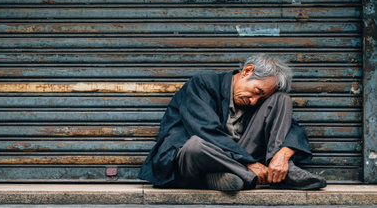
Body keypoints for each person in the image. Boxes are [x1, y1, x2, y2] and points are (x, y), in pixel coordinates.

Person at [138, 54, 326, 191]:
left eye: (260, 98)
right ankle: (258, 177)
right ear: (247, 71)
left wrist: (283, 156)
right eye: (257, 91)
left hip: (235, 158)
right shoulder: (203, 84)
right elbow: (205, 131)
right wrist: (249, 163)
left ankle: (265, 173)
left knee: (282, 99)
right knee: (194, 145)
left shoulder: (252, 103)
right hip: (192, 159)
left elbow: (293, 129)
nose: (254, 101)